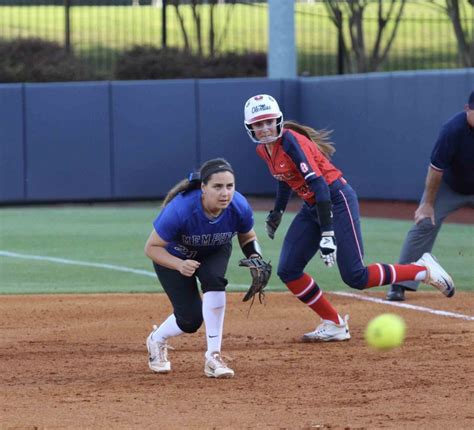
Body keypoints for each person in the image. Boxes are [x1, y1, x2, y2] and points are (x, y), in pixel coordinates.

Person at [243, 94, 455, 342]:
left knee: (356, 276)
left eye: (269, 121)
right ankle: (334, 324)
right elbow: (285, 179)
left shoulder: (291, 142)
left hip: (336, 199)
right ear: (250, 128)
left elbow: (320, 186)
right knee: (288, 270)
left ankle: (421, 270)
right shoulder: (264, 149)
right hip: (314, 205)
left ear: (278, 120)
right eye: (258, 124)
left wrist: (327, 233)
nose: (265, 128)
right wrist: (277, 212)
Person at [144, 158, 267, 378]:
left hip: (214, 251)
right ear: (203, 187)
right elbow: (151, 248)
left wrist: (256, 257)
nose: (225, 193)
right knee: (190, 321)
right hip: (174, 257)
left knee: (215, 281)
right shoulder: (181, 209)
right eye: (217, 187)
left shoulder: (238, 206)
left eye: (230, 186)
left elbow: (248, 236)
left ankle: (213, 356)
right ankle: (157, 339)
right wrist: (179, 264)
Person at [387, 90, 474, 301]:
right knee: (425, 222)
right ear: (467, 109)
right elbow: (436, 169)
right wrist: (427, 203)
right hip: (451, 186)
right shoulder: (452, 130)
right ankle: (400, 282)